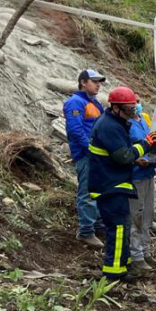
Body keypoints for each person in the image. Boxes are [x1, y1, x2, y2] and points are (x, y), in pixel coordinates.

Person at [88, 87, 156, 281]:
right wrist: (145, 145)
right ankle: (114, 272)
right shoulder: (109, 126)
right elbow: (123, 156)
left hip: (113, 182)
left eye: (133, 106)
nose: (133, 111)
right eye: (129, 108)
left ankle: (123, 263)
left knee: (122, 226)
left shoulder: (116, 123)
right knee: (118, 229)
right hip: (109, 185)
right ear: (116, 108)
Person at [64, 69, 106, 248]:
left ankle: (97, 225)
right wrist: (90, 150)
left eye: (99, 82)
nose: (98, 84)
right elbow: (75, 130)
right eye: (94, 81)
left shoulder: (95, 103)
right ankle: (86, 231)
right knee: (88, 192)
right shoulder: (75, 102)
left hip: (98, 155)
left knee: (98, 190)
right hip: (87, 155)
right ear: (83, 82)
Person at [128, 96, 156, 271]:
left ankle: (146, 251)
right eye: (134, 102)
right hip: (136, 174)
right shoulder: (126, 124)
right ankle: (136, 255)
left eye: (138, 100)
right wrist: (136, 160)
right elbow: (125, 150)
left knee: (147, 215)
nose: (137, 104)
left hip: (149, 173)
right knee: (135, 216)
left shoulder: (144, 119)